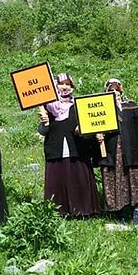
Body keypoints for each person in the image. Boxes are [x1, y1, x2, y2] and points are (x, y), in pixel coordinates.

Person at [38, 72, 101, 218]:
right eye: (61, 84)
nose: (64, 87)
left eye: (68, 84)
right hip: (55, 149)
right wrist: (44, 123)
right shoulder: (47, 106)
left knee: (78, 178)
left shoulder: (79, 105)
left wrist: (84, 131)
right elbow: (42, 131)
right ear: (55, 85)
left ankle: (83, 210)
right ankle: (59, 211)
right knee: (58, 181)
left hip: (77, 149)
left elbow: (89, 127)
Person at [95, 78, 138, 225]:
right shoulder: (100, 109)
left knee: (133, 180)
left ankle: (136, 212)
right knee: (114, 181)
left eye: (116, 89)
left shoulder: (131, 106)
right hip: (111, 153)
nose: (114, 92)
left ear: (121, 90)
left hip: (131, 151)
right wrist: (97, 136)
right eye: (110, 90)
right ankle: (119, 214)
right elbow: (92, 126)